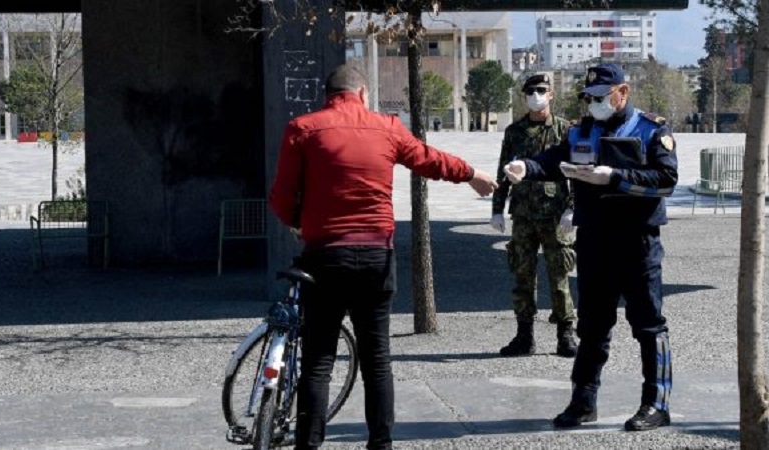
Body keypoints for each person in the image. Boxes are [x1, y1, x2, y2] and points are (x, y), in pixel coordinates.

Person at [269, 64, 498, 450]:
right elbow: (429, 159)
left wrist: (299, 223)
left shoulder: (303, 128)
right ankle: (381, 443)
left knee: (319, 361)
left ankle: (308, 445)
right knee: (377, 360)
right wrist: (471, 173)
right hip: (376, 256)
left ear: (327, 95)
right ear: (362, 93)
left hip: (325, 256)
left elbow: (280, 197)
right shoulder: (386, 127)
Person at [502, 64, 678, 432]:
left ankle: (656, 403)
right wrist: (526, 167)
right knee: (592, 325)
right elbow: (554, 160)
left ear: (622, 92)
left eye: (601, 97)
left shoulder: (650, 130)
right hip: (595, 240)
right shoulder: (582, 131)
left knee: (648, 325)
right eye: (589, 98)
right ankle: (583, 401)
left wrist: (614, 177)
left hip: (637, 242)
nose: (594, 104)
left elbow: (665, 180)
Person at [491, 73, 578, 358]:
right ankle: (524, 336)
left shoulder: (565, 130)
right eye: (530, 91)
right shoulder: (514, 132)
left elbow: (576, 172)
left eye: (541, 90)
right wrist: (497, 209)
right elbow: (503, 171)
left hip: (555, 214)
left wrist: (573, 207)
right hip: (523, 215)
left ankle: (566, 334)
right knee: (523, 276)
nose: (535, 96)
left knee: (559, 276)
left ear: (551, 94)